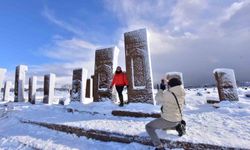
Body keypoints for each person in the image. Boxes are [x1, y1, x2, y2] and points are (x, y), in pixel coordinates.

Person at [145, 78, 186, 150]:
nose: (168, 86)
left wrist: (161, 89)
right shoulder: (182, 93)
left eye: (168, 84)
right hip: (178, 119)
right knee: (163, 128)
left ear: (171, 85)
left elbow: (157, 99)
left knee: (148, 127)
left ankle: (159, 146)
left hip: (168, 120)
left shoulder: (168, 94)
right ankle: (178, 127)